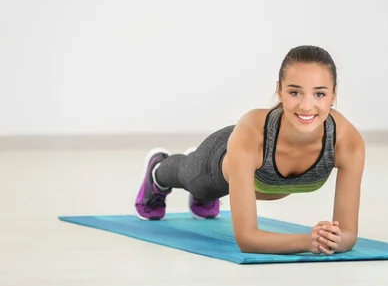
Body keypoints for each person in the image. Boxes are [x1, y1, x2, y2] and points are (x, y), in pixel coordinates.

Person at [134, 45, 365, 255]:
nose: (306, 105)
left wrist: (331, 239)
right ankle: (158, 170)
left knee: (207, 192)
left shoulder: (347, 142)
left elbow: (347, 234)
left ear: (334, 95)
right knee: (191, 177)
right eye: (295, 92)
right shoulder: (252, 134)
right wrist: (308, 242)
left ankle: (205, 193)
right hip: (220, 159)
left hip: (251, 177)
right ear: (280, 90)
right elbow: (247, 239)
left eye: (320, 94)